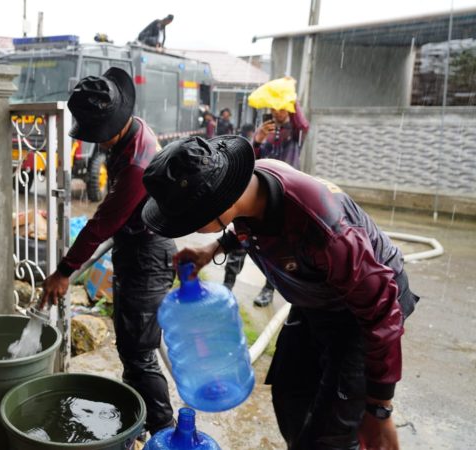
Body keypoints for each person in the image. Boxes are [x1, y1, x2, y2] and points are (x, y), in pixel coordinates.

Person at [140, 135, 418, 450]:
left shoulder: (325, 232)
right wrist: (214, 247)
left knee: (333, 435)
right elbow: (244, 225)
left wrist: (380, 408)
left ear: (220, 204)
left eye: (189, 222)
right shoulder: (244, 188)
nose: (188, 228)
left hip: (362, 313)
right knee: (290, 394)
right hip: (315, 299)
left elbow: (382, 312)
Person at [40, 68, 176, 436]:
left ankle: (164, 433)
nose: (96, 142)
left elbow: (100, 224)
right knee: (132, 348)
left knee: (139, 355)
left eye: (98, 134)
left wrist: (64, 271)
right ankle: (141, 425)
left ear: (115, 123)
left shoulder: (136, 164)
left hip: (149, 257)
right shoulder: (131, 133)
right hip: (136, 249)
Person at [223, 102, 310, 306]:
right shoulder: (267, 132)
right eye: (273, 109)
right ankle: (226, 287)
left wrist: (292, 99)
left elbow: (303, 125)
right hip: (259, 192)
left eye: (281, 108)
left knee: (278, 249)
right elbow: (253, 159)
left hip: (284, 194)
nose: (276, 113)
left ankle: (269, 290)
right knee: (242, 238)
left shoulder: (296, 132)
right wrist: (258, 140)